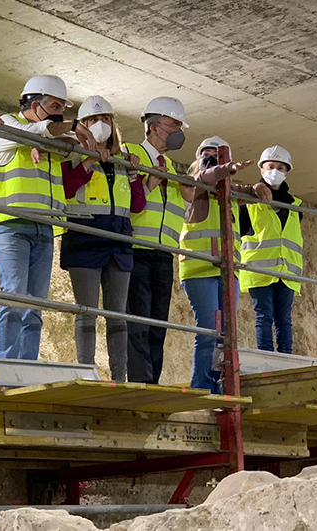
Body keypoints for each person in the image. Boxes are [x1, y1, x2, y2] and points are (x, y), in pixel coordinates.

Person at [0, 75, 98, 360]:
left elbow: (68, 140)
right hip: (10, 225)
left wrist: (59, 135)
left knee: (34, 306)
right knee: (13, 297)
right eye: (54, 105)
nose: (60, 112)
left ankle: (27, 367)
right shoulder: (7, 125)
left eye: (63, 107)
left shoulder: (49, 137)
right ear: (34, 104)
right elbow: (36, 131)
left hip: (43, 229)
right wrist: (68, 127)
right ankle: (7, 366)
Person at [61, 96, 145, 381]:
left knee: (117, 315)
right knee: (86, 311)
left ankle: (118, 376)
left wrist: (134, 176)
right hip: (85, 236)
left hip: (119, 242)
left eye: (106, 119)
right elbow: (66, 189)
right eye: (93, 121)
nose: (101, 125)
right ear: (82, 126)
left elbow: (137, 206)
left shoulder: (122, 161)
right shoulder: (71, 154)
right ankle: (87, 372)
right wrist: (87, 163)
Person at [179, 137, 271, 392]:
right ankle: (202, 386)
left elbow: (245, 191)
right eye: (206, 156)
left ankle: (221, 386)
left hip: (227, 271)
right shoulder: (191, 186)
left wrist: (256, 188)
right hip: (199, 270)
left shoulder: (227, 192)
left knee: (226, 335)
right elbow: (202, 179)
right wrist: (222, 168)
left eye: (216, 157)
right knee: (208, 330)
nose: (210, 162)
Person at [123, 97, 189, 384]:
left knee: (157, 325)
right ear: (152, 127)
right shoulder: (130, 153)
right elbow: (127, 200)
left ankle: (153, 382)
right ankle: (140, 381)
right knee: (138, 321)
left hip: (164, 254)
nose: (178, 131)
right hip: (136, 248)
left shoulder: (172, 168)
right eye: (173, 124)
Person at [240, 145, 303, 354]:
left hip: (286, 271)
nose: (275, 171)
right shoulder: (247, 201)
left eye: (280, 167)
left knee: (284, 318)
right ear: (261, 170)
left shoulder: (296, 205)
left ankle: (286, 356)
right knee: (263, 315)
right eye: (270, 166)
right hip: (259, 270)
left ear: (286, 172)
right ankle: (266, 355)